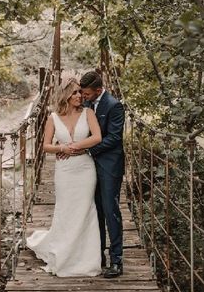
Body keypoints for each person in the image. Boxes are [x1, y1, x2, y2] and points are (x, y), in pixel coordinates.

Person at [26, 77, 103, 277]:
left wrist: (74, 146)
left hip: (85, 169)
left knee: (85, 210)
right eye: (75, 92)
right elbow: (45, 145)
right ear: (66, 95)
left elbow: (97, 137)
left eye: (80, 92)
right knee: (66, 210)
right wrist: (61, 148)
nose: (79, 96)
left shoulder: (88, 113)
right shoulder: (53, 117)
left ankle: (86, 260)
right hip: (64, 171)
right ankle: (64, 254)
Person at [71, 70, 125, 279]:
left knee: (111, 210)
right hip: (87, 167)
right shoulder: (86, 103)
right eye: (82, 94)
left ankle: (117, 261)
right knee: (95, 210)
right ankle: (97, 255)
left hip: (109, 166)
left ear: (99, 90)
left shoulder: (114, 105)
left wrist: (87, 149)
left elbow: (114, 138)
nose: (83, 98)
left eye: (86, 94)